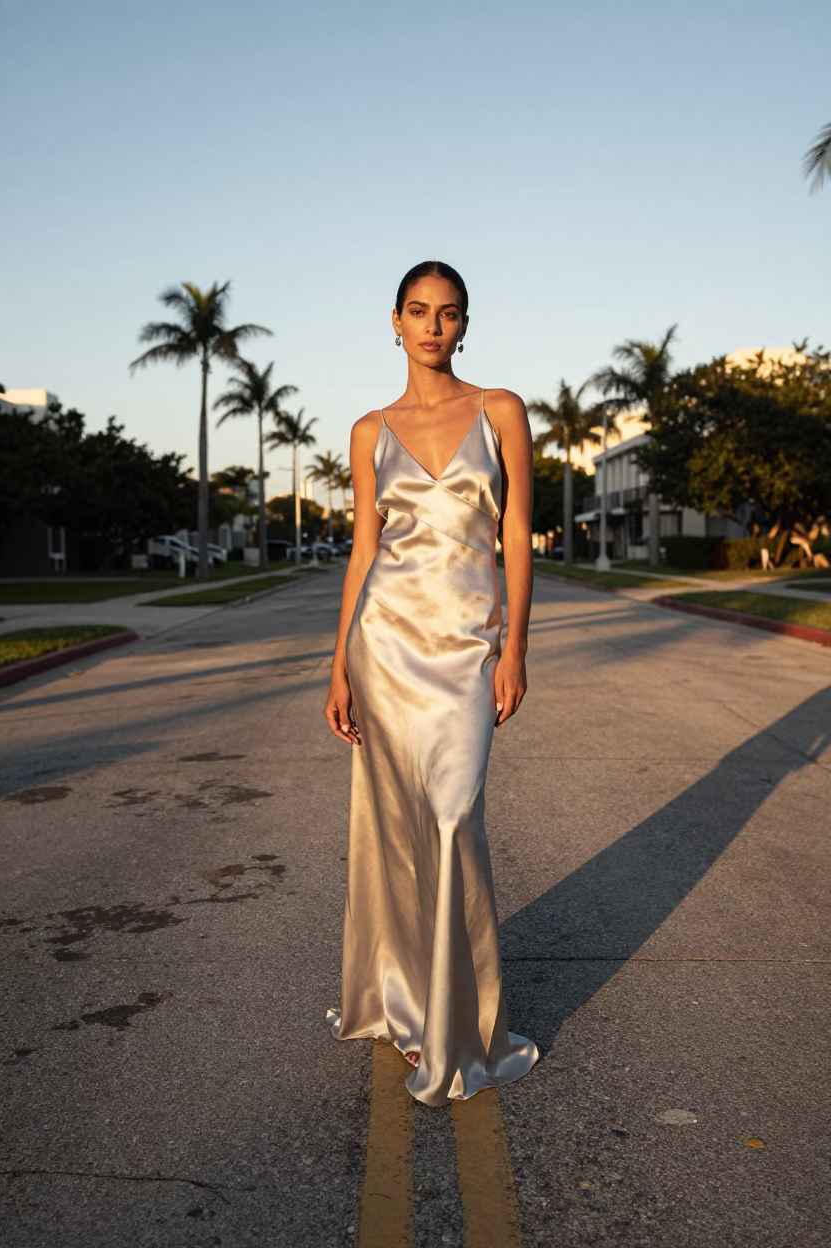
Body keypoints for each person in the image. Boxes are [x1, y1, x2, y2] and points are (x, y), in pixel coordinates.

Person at [324, 260, 538, 1105]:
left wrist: (515, 648)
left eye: (448, 315)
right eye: (418, 312)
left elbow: (516, 535)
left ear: (464, 324)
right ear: (395, 321)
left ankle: (459, 1028)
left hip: (468, 649)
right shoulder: (369, 430)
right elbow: (363, 552)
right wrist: (338, 661)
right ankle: (410, 1006)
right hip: (384, 645)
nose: (433, 328)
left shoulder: (500, 410)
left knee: (451, 818)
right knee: (403, 829)